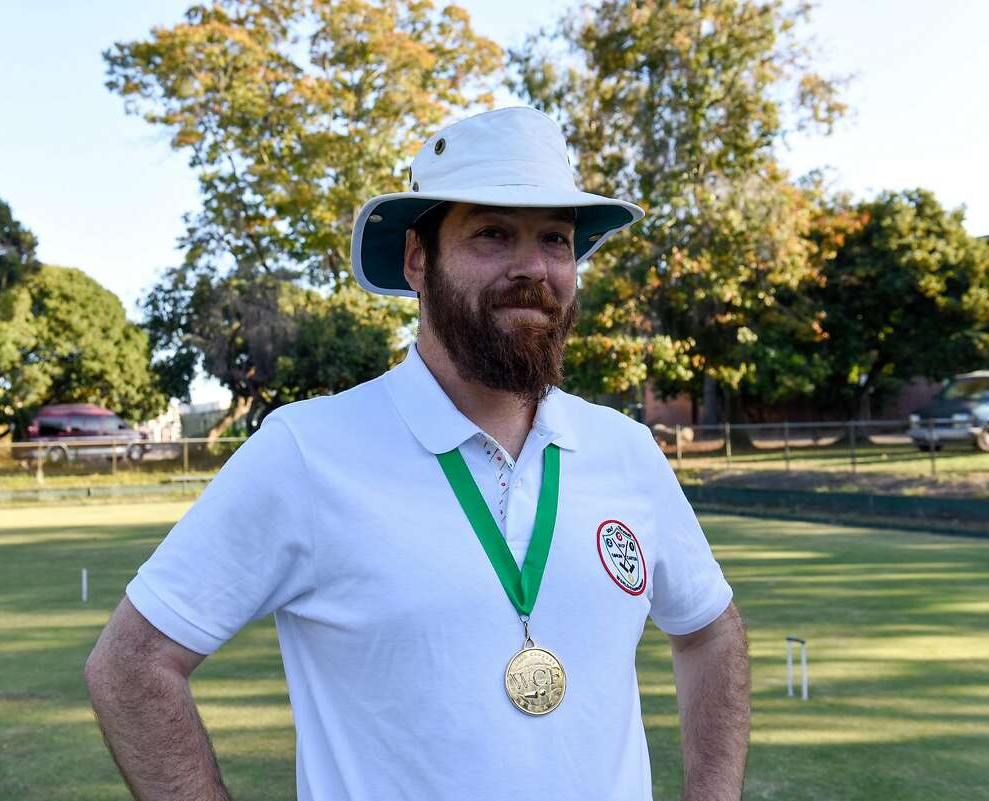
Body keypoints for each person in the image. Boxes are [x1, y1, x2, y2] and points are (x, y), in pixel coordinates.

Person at [85, 106, 749, 801]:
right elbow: (131, 666)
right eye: (492, 233)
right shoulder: (306, 451)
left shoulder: (626, 449)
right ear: (416, 259)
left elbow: (710, 633)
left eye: (555, 238)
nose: (533, 267)